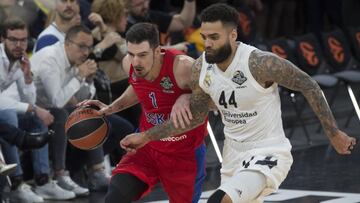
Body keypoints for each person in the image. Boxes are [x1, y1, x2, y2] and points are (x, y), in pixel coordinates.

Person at [119, 4, 357, 203]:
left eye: (214, 37)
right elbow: (196, 117)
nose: (207, 44)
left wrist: (333, 132)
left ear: (233, 35)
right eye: (204, 37)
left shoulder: (259, 63)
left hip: (267, 151)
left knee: (218, 201)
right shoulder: (202, 68)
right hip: (232, 154)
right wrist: (146, 136)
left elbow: (308, 84)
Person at [80, 22, 208, 203]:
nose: (136, 62)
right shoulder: (130, 64)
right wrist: (111, 108)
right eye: (131, 54)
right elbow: (139, 88)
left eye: (142, 55)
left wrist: (188, 97)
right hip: (147, 148)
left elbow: (207, 105)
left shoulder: (185, 68)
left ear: (157, 51)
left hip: (184, 155)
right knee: (115, 197)